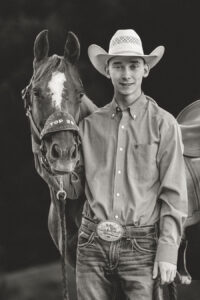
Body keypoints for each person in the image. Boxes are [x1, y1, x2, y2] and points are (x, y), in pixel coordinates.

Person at [75, 29, 188, 300]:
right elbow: (71, 184)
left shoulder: (164, 125)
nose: (126, 74)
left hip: (142, 246)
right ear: (108, 71)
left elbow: (174, 194)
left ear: (145, 70)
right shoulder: (88, 127)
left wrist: (168, 252)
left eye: (133, 65)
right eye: (118, 66)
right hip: (91, 243)